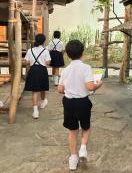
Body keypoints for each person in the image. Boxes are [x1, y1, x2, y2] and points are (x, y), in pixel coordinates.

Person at [58, 40, 103, 170]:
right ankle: (83, 148)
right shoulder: (86, 68)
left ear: (67, 54)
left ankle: (73, 159)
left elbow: (60, 90)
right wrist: (98, 85)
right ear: (82, 53)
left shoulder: (65, 70)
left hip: (68, 102)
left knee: (72, 131)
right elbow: (90, 87)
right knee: (86, 127)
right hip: (82, 102)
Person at [24, 34, 51, 119]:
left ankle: (35, 112)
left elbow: (26, 62)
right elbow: (48, 63)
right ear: (43, 41)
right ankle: (43, 102)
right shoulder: (45, 51)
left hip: (33, 70)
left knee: (35, 91)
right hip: (42, 70)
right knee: (43, 88)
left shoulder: (30, 50)